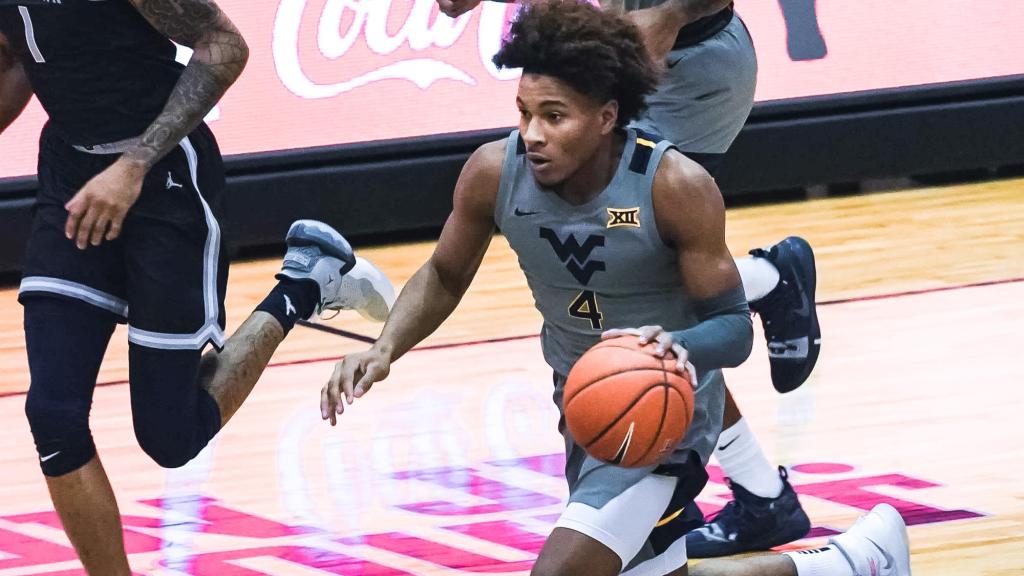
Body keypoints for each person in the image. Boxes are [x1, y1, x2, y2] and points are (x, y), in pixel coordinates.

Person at [321, 3, 909, 575]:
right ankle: (853, 562)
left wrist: (677, 347)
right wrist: (384, 347)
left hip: (667, 409)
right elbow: (445, 275)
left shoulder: (674, 185)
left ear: (606, 117)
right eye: (524, 112)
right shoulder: (493, 171)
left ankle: (774, 281)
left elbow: (734, 330)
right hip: (581, 401)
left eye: (554, 117)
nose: (532, 134)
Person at [0, 3, 394, 574]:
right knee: (52, 415)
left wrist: (133, 165)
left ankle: (304, 284)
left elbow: (223, 47)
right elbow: (18, 59)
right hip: (72, 176)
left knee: (170, 437)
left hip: (163, 177)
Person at [436, 0, 818, 556]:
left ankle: (764, 280)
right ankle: (764, 494)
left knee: (655, 312)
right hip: (604, 62)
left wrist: (673, 14)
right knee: (642, 330)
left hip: (688, 59)